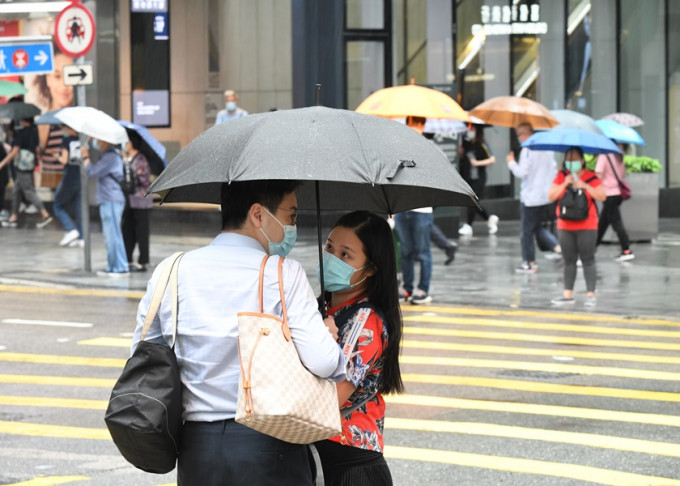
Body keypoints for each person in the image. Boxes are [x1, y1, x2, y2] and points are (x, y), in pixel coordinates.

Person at [131, 180, 345, 486]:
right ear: (258, 214)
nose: (292, 227)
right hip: (269, 446)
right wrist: (327, 335)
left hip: (197, 450)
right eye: (291, 216)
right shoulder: (282, 272)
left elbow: (143, 354)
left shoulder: (171, 271)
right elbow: (323, 362)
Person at [315, 210, 403, 486]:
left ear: (371, 268)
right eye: (329, 247)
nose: (331, 258)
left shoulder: (365, 322)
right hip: (321, 460)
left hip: (351, 467)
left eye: (345, 255)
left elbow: (329, 401)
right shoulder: (323, 308)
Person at [548, 147, 606, 307]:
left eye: (574, 159)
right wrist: (565, 184)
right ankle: (567, 294)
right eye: (568, 159)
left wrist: (584, 186)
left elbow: (602, 196)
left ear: (582, 161)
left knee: (588, 259)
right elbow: (551, 196)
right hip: (565, 225)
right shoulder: (562, 176)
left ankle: (590, 294)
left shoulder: (591, 177)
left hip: (587, 225)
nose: (571, 162)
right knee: (569, 260)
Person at [506, 122, 563, 273]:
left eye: (519, 135)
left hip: (531, 196)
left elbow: (522, 172)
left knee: (526, 231)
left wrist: (511, 163)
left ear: (525, 134)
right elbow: (553, 170)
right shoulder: (547, 148)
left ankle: (529, 262)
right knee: (537, 227)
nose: (519, 139)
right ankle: (557, 247)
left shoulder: (528, 149)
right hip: (544, 195)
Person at [394, 116, 434, 305]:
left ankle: (423, 289)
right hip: (403, 207)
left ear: (423, 126)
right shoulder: (401, 148)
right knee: (406, 251)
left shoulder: (431, 148)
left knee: (423, 252)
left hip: (422, 208)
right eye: (409, 124)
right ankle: (407, 288)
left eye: (416, 124)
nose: (412, 128)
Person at [83, 138, 129, 277]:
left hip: (111, 199)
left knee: (113, 235)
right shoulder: (109, 155)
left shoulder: (111, 156)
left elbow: (93, 171)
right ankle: (113, 266)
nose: (97, 142)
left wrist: (85, 157)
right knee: (111, 235)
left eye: (98, 140)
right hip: (108, 199)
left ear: (105, 141)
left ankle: (120, 267)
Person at [0, 118, 53, 229]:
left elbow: (14, 151)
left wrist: (2, 163)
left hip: (22, 166)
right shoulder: (34, 131)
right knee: (16, 191)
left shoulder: (22, 133)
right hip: (29, 165)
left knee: (29, 191)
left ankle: (45, 214)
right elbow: (38, 149)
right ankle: (14, 217)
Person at [34, 48, 74, 188]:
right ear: (48, 78)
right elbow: (41, 150)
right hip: (52, 176)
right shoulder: (45, 122)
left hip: (71, 176)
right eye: (57, 76)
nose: (65, 86)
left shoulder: (77, 120)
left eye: (70, 76)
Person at [595, 143, 634, 262]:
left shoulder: (604, 155)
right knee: (602, 224)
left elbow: (598, 173)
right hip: (618, 194)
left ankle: (626, 250)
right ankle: (591, 249)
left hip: (609, 194)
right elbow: (622, 174)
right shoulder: (618, 155)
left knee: (616, 223)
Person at [458, 125, 499, 236]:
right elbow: (462, 157)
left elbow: (492, 159)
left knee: (472, 201)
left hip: (479, 178)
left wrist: (477, 163)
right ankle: (489, 219)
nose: (470, 131)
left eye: (473, 129)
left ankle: (468, 225)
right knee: (474, 202)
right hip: (468, 178)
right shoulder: (467, 144)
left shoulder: (482, 144)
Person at [122, 132, 153, 272]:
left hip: (141, 201)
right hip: (129, 201)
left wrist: (129, 170)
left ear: (132, 143)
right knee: (127, 231)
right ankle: (127, 259)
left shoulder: (141, 159)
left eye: (127, 142)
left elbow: (143, 180)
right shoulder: (127, 158)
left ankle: (143, 261)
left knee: (142, 232)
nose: (125, 144)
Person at [54, 125, 83, 247]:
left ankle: (71, 229)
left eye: (65, 129)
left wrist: (57, 156)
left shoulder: (67, 141)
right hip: (81, 176)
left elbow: (64, 160)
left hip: (69, 176)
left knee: (57, 204)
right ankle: (82, 238)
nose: (64, 131)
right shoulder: (82, 140)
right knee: (78, 208)